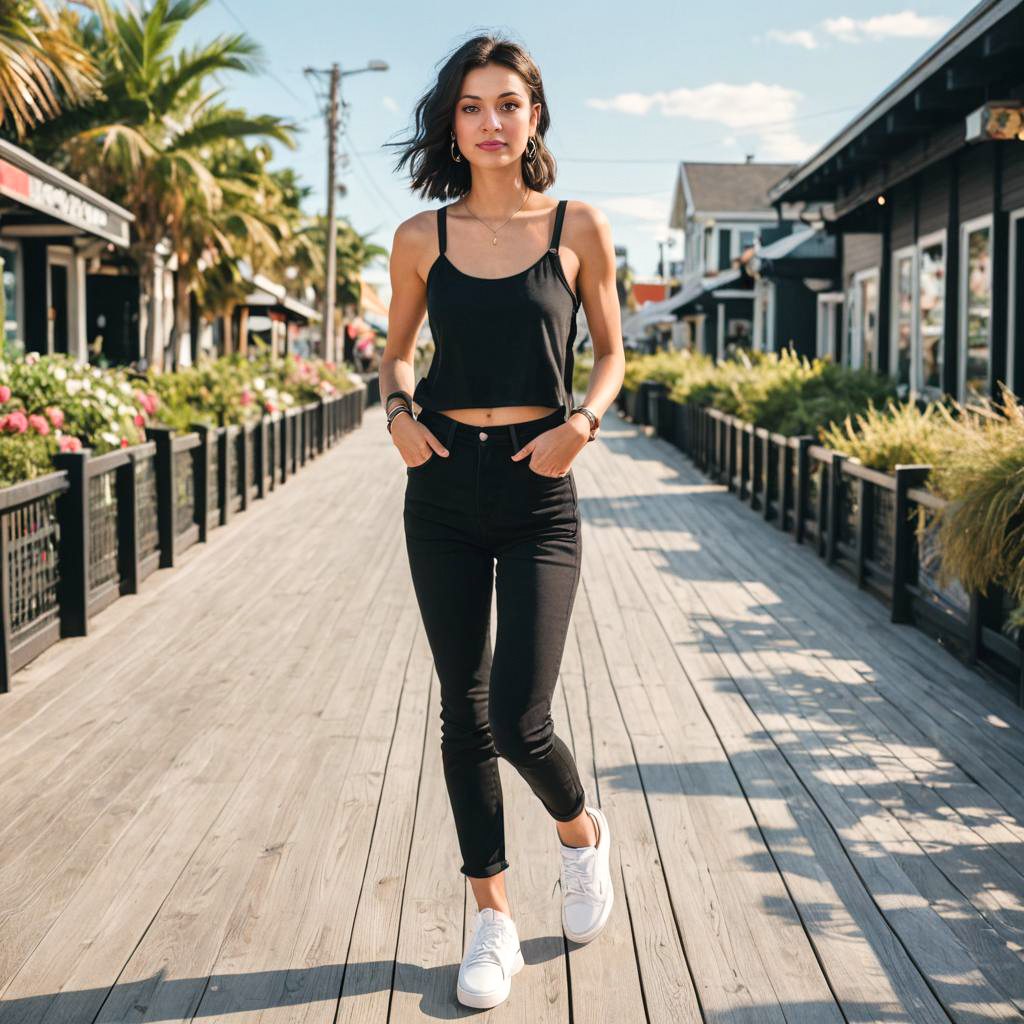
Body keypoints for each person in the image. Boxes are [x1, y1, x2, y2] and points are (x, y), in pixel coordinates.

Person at [380, 32, 625, 1010]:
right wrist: (397, 416)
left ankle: (581, 836)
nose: (489, 122)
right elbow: (395, 353)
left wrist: (582, 425)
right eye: (472, 105)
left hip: (538, 488)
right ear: (453, 120)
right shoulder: (419, 237)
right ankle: (488, 915)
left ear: (534, 116)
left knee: (523, 715)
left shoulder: (577, 226)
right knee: (462, 706)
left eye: (507, 104)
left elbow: (609, 350)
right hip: (440, 484)